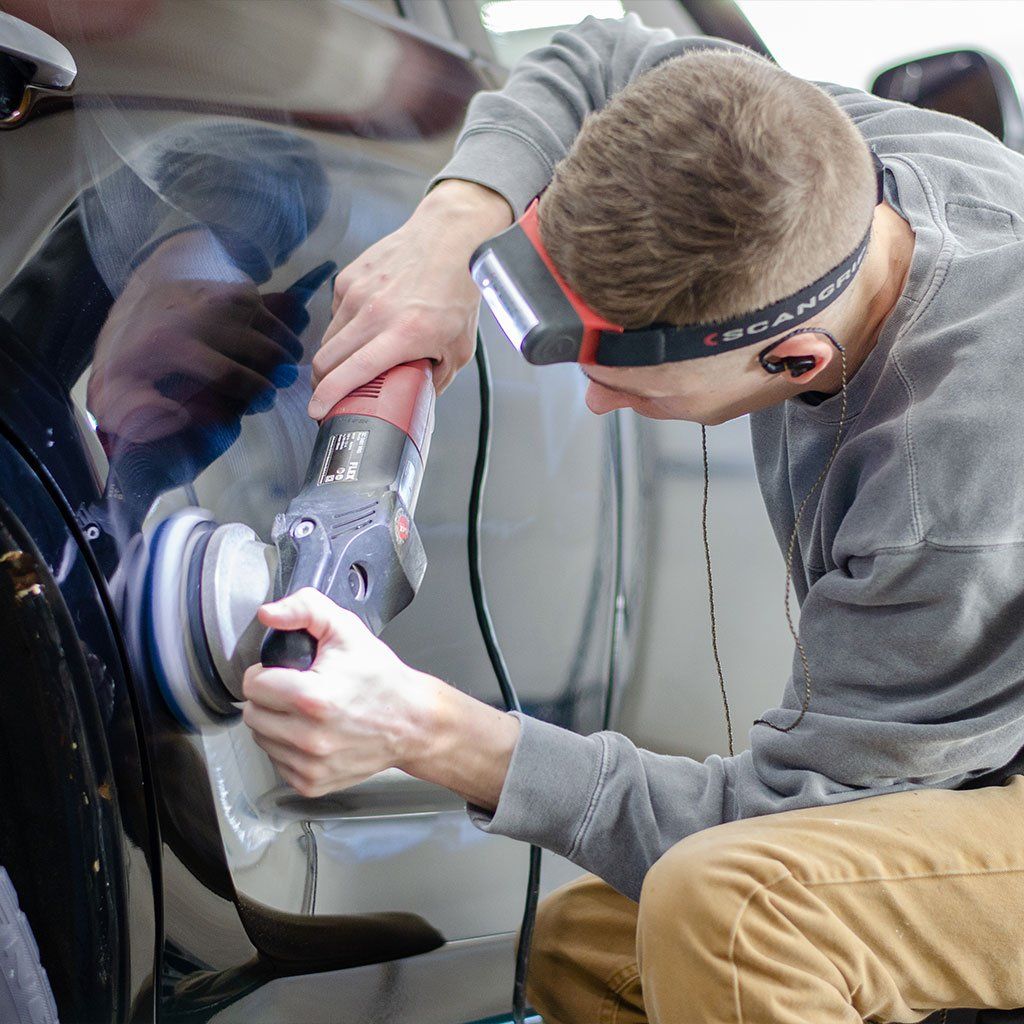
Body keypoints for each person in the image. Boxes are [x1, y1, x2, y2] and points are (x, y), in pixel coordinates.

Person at [240, 15, 1024, 1024]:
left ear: (793, 358)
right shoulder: (812, 162)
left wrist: (423, 727)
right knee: (590, 952)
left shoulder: (951, 486)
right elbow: (600, 53)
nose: (601, 405)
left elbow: (789, 822)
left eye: (634, 387)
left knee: (731, 913)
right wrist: (444, 236)